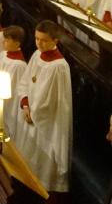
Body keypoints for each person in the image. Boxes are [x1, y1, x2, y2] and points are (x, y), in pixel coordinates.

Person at [18, 21, 72, 193]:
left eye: (43, 40)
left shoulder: (59, 67)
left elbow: (50, 102)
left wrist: (33, 113)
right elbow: (26, 81)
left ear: (55, 40)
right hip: (30, 114)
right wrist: (25, 104)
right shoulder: (36, 55)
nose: (38, 43)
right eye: (36, 38)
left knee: (40, 166)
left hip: (47, 123)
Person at [0, 26, 27, 146]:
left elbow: (15, 89)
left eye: (6, 40)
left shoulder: (20, 65)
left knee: (3, 127)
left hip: (7, 105)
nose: (3, 42)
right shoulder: (3, 55)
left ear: (17, 43)